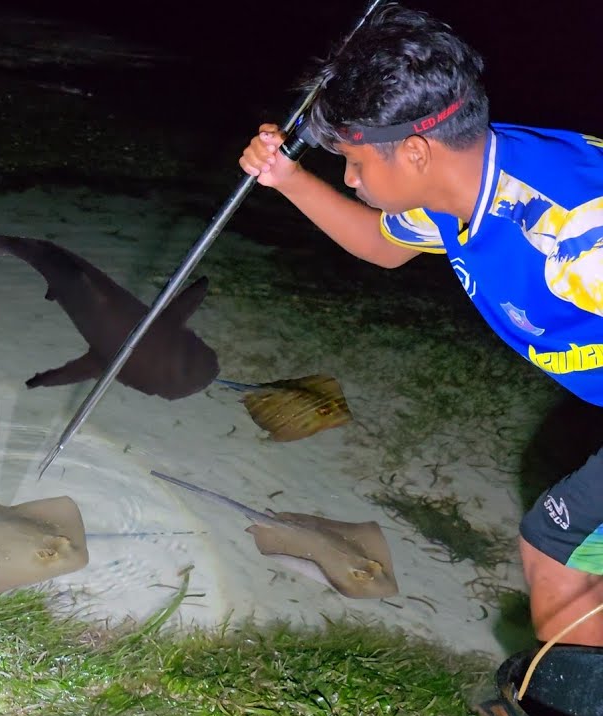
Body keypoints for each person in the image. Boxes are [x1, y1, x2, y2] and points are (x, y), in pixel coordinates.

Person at [238, 2, 603, 646]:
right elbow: (383, 245)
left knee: (560, 548)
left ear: (413, 151)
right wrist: (287, 179)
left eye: (354, 162)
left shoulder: (572, 235)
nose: (348, 179)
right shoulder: (460, 181)